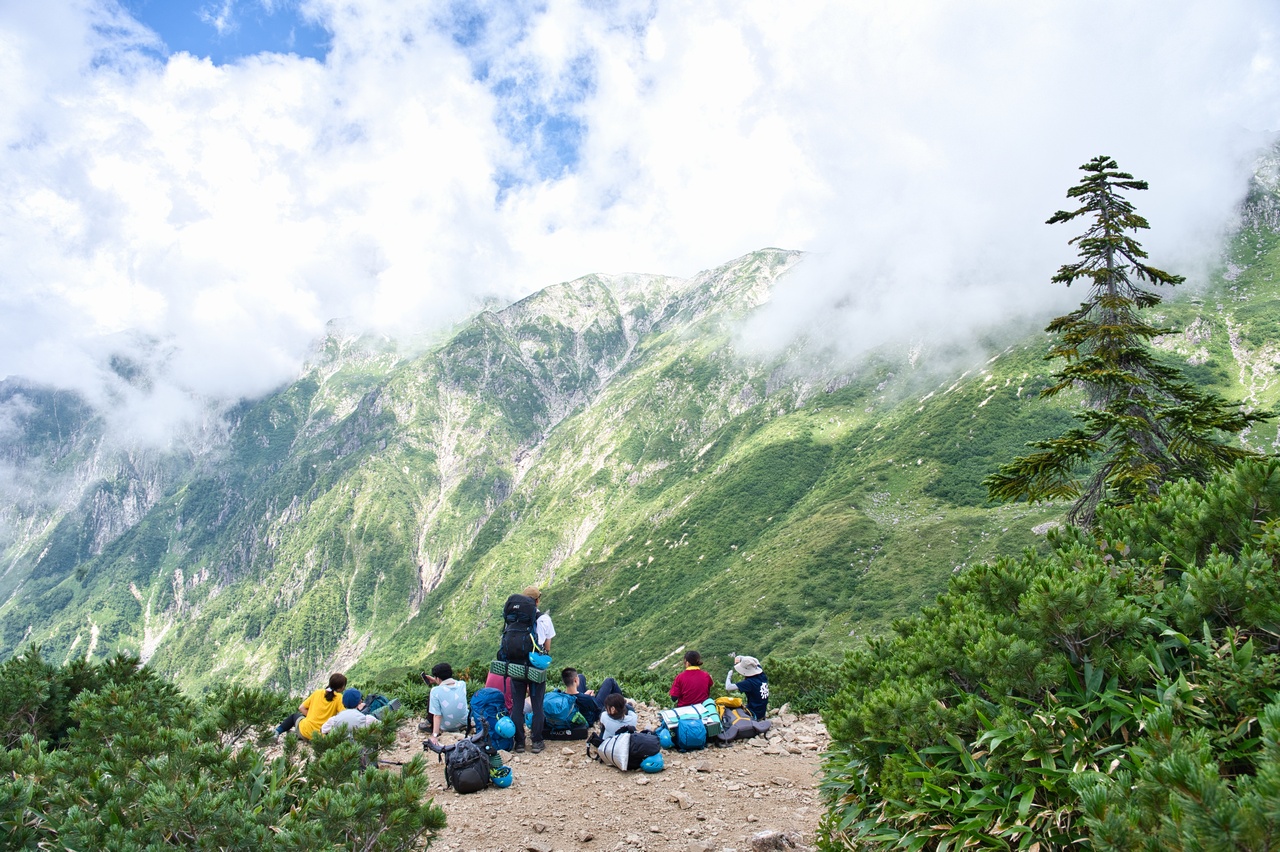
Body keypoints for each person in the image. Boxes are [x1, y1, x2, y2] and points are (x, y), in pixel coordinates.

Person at [508, 585, 555, 754]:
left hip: (516, 666)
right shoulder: (544, 619)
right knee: (537, 705)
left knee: (517, 705)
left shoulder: (514, 618)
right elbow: (547, 645)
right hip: (535, 667)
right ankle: (536, 741)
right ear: (537, 600)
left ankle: (519, 742)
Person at [276, 672, 348, 740]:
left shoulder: (318, 692)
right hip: (321, 736)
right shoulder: (339, 698)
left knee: (294, 716)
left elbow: (301, 708)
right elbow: (344, 717)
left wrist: (312, 716)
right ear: (340, 688)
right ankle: (295, 735)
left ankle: (277, 732)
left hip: (305, 732)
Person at [419, 662, 469, 744]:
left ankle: (429, 723)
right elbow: (449, 687)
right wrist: (436, 680)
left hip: (447, 726)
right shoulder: (462, 684)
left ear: (438, 678)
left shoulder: (435, 691)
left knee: (432, 697)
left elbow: (437, 715)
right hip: (464, 721)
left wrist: (434, 735)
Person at [559, 667, 623, 727]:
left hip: (577, 707)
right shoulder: (587, 699)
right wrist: (591, 697)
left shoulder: (561, 696)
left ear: (563, 681)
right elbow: (596, 707)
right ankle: (621, 704)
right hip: (591, 715)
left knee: (581, 676)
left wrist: (583, 695)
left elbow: (577, 698)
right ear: (575, 680)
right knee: (610, 681)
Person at [725, 655, 770, 720]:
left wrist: (729, 675)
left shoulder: (749, 683)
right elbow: (755, 659)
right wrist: (740, 657)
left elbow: (728, 687)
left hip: (754, 713)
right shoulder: (761, 674)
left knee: (731, 712)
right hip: (762, 711)